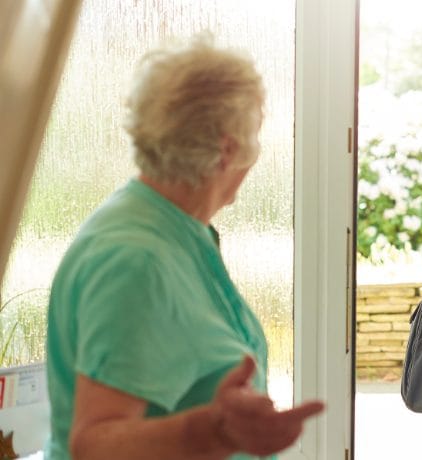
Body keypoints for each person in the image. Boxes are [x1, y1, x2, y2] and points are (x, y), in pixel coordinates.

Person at [44, 36, 323, 460]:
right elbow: (93, 445)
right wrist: (214, 431)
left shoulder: (168, 225)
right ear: (228, 149)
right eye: (257, 133)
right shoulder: (134, 258)